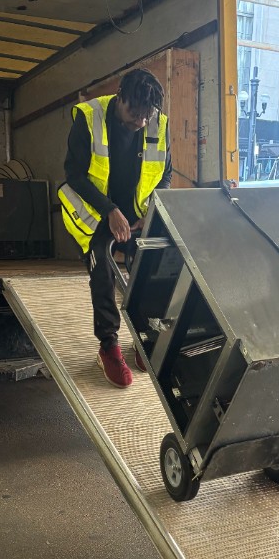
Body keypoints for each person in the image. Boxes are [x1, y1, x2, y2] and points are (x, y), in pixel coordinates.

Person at [58, 68, 172, 388]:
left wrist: (149, 213)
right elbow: (75, 175)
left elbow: (165, 175)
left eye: (146, 116)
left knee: (146, 273)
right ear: (120, 98)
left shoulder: (157, 123)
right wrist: (110, 211)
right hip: (98, 214)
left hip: (136, 216)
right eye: (134, 114)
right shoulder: (89, 117)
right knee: (104, 275)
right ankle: (108, 345)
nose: (140, 122)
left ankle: (142, 337)